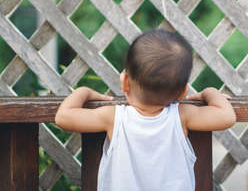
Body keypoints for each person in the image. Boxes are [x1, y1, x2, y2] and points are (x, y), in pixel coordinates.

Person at [55, 29, 236, 191]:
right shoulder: (182, 115)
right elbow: (227, 116)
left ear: (125, 83)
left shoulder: (113, 117)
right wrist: (209, 93)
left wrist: (83, 91)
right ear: (182, 94)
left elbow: (63, 117)